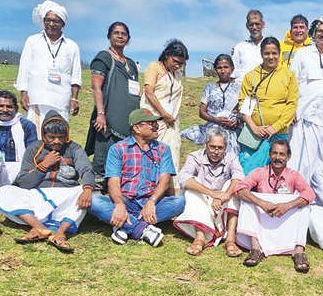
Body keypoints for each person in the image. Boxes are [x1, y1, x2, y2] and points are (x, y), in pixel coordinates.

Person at [0, 110, 95, 253]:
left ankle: (60, 233)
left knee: (83, 192)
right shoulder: (34, 148)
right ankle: (39, 228)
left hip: (66, 196)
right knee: (4, 191)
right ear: (44, 135)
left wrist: (88, 189)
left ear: (66, 136)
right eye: (51, 137)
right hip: (38, 195)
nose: (56, 141)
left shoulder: (74, 148)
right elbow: (24, 183)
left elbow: (86, 170)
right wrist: (44, 165)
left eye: (61, 137)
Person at [89, 109, 185, 247]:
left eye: (156, 122)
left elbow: (164, 181)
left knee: (180, 201)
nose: (156, 126)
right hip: (125, 200)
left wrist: (152, 201)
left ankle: (124, 226)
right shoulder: (118, 149)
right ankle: (142, 229)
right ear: (137, 128)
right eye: (151, 123)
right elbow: (113, 181)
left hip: (151, 203)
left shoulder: (163, 149)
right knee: (93, 201)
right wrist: (119, 204)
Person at [235, 140, 315, 273]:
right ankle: (256, 249)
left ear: (288, 157)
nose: (278, 157)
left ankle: (299, 251)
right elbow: (240, 189)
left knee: (305, 205)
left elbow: (310, 193)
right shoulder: (259, 172)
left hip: (284, 218)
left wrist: (287, 206)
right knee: (247, 201)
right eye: (275, 153)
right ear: (269, 155)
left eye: (282, 154)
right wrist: (262, 203)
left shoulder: (293, 175)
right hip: (263, 215)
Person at [288, 16, 323, 180]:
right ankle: (292, 190)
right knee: (295, 155)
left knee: (318, 157)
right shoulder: (303, 53)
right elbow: (292, 83)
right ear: (313, 33)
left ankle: (311, 193)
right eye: (319, 31)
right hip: (301, 115)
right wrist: (291, 109)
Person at [85, 22, 140, 191]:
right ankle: (96, 199)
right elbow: (96, 86)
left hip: (127, 122)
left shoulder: (131, 64)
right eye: (116, 33)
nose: (120, 36)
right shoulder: (104, 57)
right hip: (108, 120)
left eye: (124, 33)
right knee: (103, 160)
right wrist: (101, 114)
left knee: (124, 160)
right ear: (109, 36)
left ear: (128, 39)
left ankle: (119, 193)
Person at [174, 127, 244, 257]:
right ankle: (200, 237)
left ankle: (230, 240)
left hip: (222, 203)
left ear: (225, 147)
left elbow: (239, 177)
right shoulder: (195, 156)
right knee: (191, 187)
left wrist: (224, 195)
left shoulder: (231, 157)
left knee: (234, 186)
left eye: (220, 148)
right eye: (212, 147)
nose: (216, 151)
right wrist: (213, 194)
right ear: (206, 144)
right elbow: (183, 178)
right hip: (203, 201)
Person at [15, 0, 82, 132]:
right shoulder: (33, 41)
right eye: (48, 20)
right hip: (37, 98)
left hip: (61, 100)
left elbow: (75, 75)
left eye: (56, 21)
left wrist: (74, 98)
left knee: (57, 136)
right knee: (35, 136)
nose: (51, 24)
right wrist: (23, 93)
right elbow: (24, 68)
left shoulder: (71, 46)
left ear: (63, 24)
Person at [237, 37, 298, 175]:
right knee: (247, 172)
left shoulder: (288, 76)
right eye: (267, 53)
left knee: (274, 173)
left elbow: (291, 104)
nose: (271, 57)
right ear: (261, 54)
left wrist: (274, 128)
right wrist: (254, 127)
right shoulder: (250, 76)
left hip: (278, 134)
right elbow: (244, 104)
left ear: (280, 53)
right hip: (253, 135)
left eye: (274, 53)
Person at [140, 39, 188, 193]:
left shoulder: (177, 74)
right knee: (151, 158)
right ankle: (148, 193)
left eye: (181, 63)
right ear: (167, 55)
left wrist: (169, 116)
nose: (177, 65)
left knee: (171, 157)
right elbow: (149, 92)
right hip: (153, 122)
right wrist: (163, 114)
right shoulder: (154, 67)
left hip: (170, 124)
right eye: (175, 61)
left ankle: (171, 193)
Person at [181, 54, 241, 155]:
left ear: (232, 68)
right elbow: (202, 112)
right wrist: (216, 120)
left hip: (232, 128)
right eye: (219, 68)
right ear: (215, 69)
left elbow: (242, 110)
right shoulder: (210, 88)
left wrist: (237, 121)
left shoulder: (239, 88)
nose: (222, 71)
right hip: (213, 126)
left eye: (226, 67)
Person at [0, 90, 38, 185]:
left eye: (9, 107)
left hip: (19, 172)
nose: (5, 110)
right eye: (1, 106)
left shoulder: (27, 126)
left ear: (16, 108)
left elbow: (33, 154)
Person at [231, 10, 266, 84]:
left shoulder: (270, 46)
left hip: (265, 90)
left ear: (263, 24)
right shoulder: (239, 47)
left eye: (257, 24)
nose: (254, 27)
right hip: (242, 90)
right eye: (251, 25)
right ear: (247, 26)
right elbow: (232, 73)